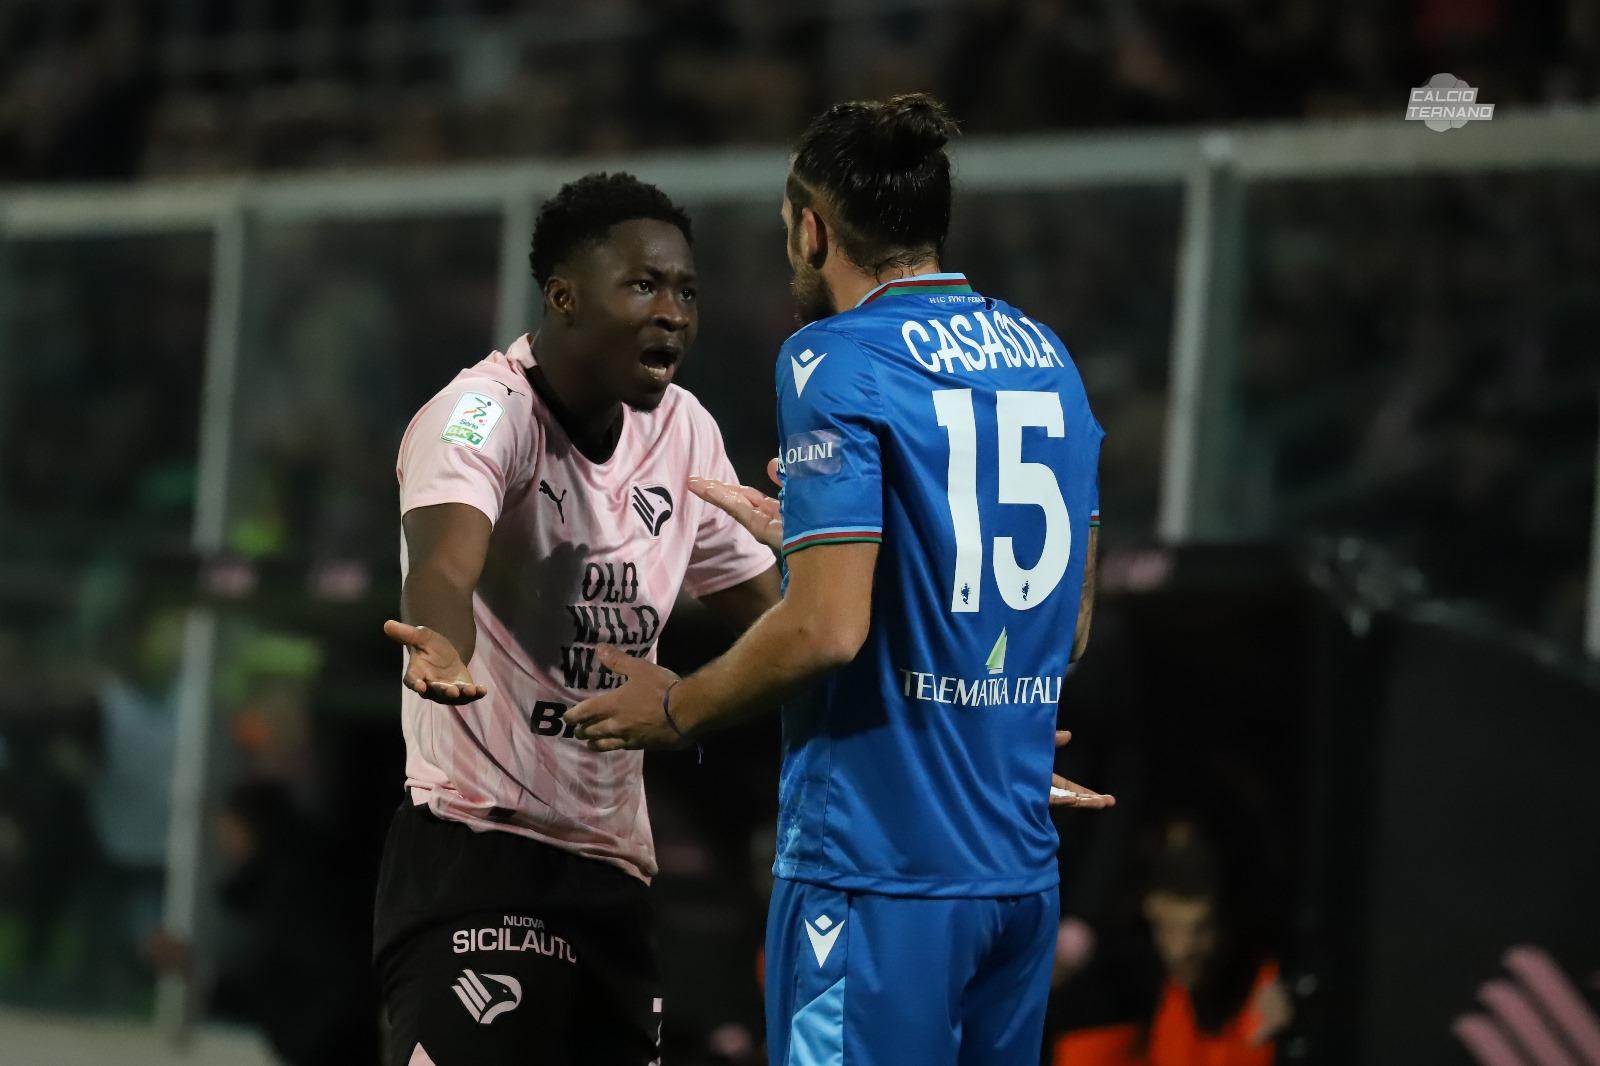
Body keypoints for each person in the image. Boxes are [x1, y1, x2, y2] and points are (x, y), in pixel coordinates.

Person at [566, 94, 1112, 1065]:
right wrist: (833, 546)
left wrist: (678, 708)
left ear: (813, 228)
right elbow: (1062, 619)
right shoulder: (1048, 359)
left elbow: (824, 631)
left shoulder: (833, 358)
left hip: (877, 876)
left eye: (787, 231)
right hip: (1015, 882)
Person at [373, 172, 779, 1066]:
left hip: (614, 872)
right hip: (479, 850)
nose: (673, 311)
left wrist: (952, 730)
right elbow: (445, 564)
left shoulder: (684, 432)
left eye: (686, 290)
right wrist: (441, 639)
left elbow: (784, 629)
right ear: (563, 295)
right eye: (643, 285)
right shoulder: (481, 414)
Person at [1050, 820, 1291, 1066]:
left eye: (1201, 929)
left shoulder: (1272, 990)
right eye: (1168, 929)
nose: (1182, 949)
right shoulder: (1132, 990)